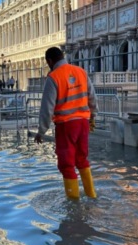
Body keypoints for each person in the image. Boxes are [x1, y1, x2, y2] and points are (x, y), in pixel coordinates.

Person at [34, 47, 98, 199]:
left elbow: (47, 108)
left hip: (66, 126)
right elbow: (92, 97)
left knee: (67, 164)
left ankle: (74, 205)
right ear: (62, 56)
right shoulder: (81, 71)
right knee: (82, 159)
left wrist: (41, 131)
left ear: (49, 61)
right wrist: (93, 116)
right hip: (83, 123)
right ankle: (92, 195)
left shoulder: (53, 77)